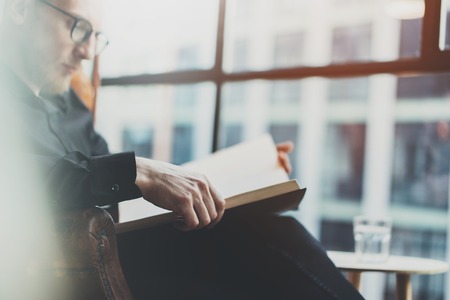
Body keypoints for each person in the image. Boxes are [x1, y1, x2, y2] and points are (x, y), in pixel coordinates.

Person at [0, 0, 364, 299]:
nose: (87, 51)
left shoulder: (73, 109)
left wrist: (247, 176)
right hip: (70, 276)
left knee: (266, 233)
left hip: (124, 251)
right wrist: (138, 171)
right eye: (78, 27)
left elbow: (119, 196)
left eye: (96, 37)